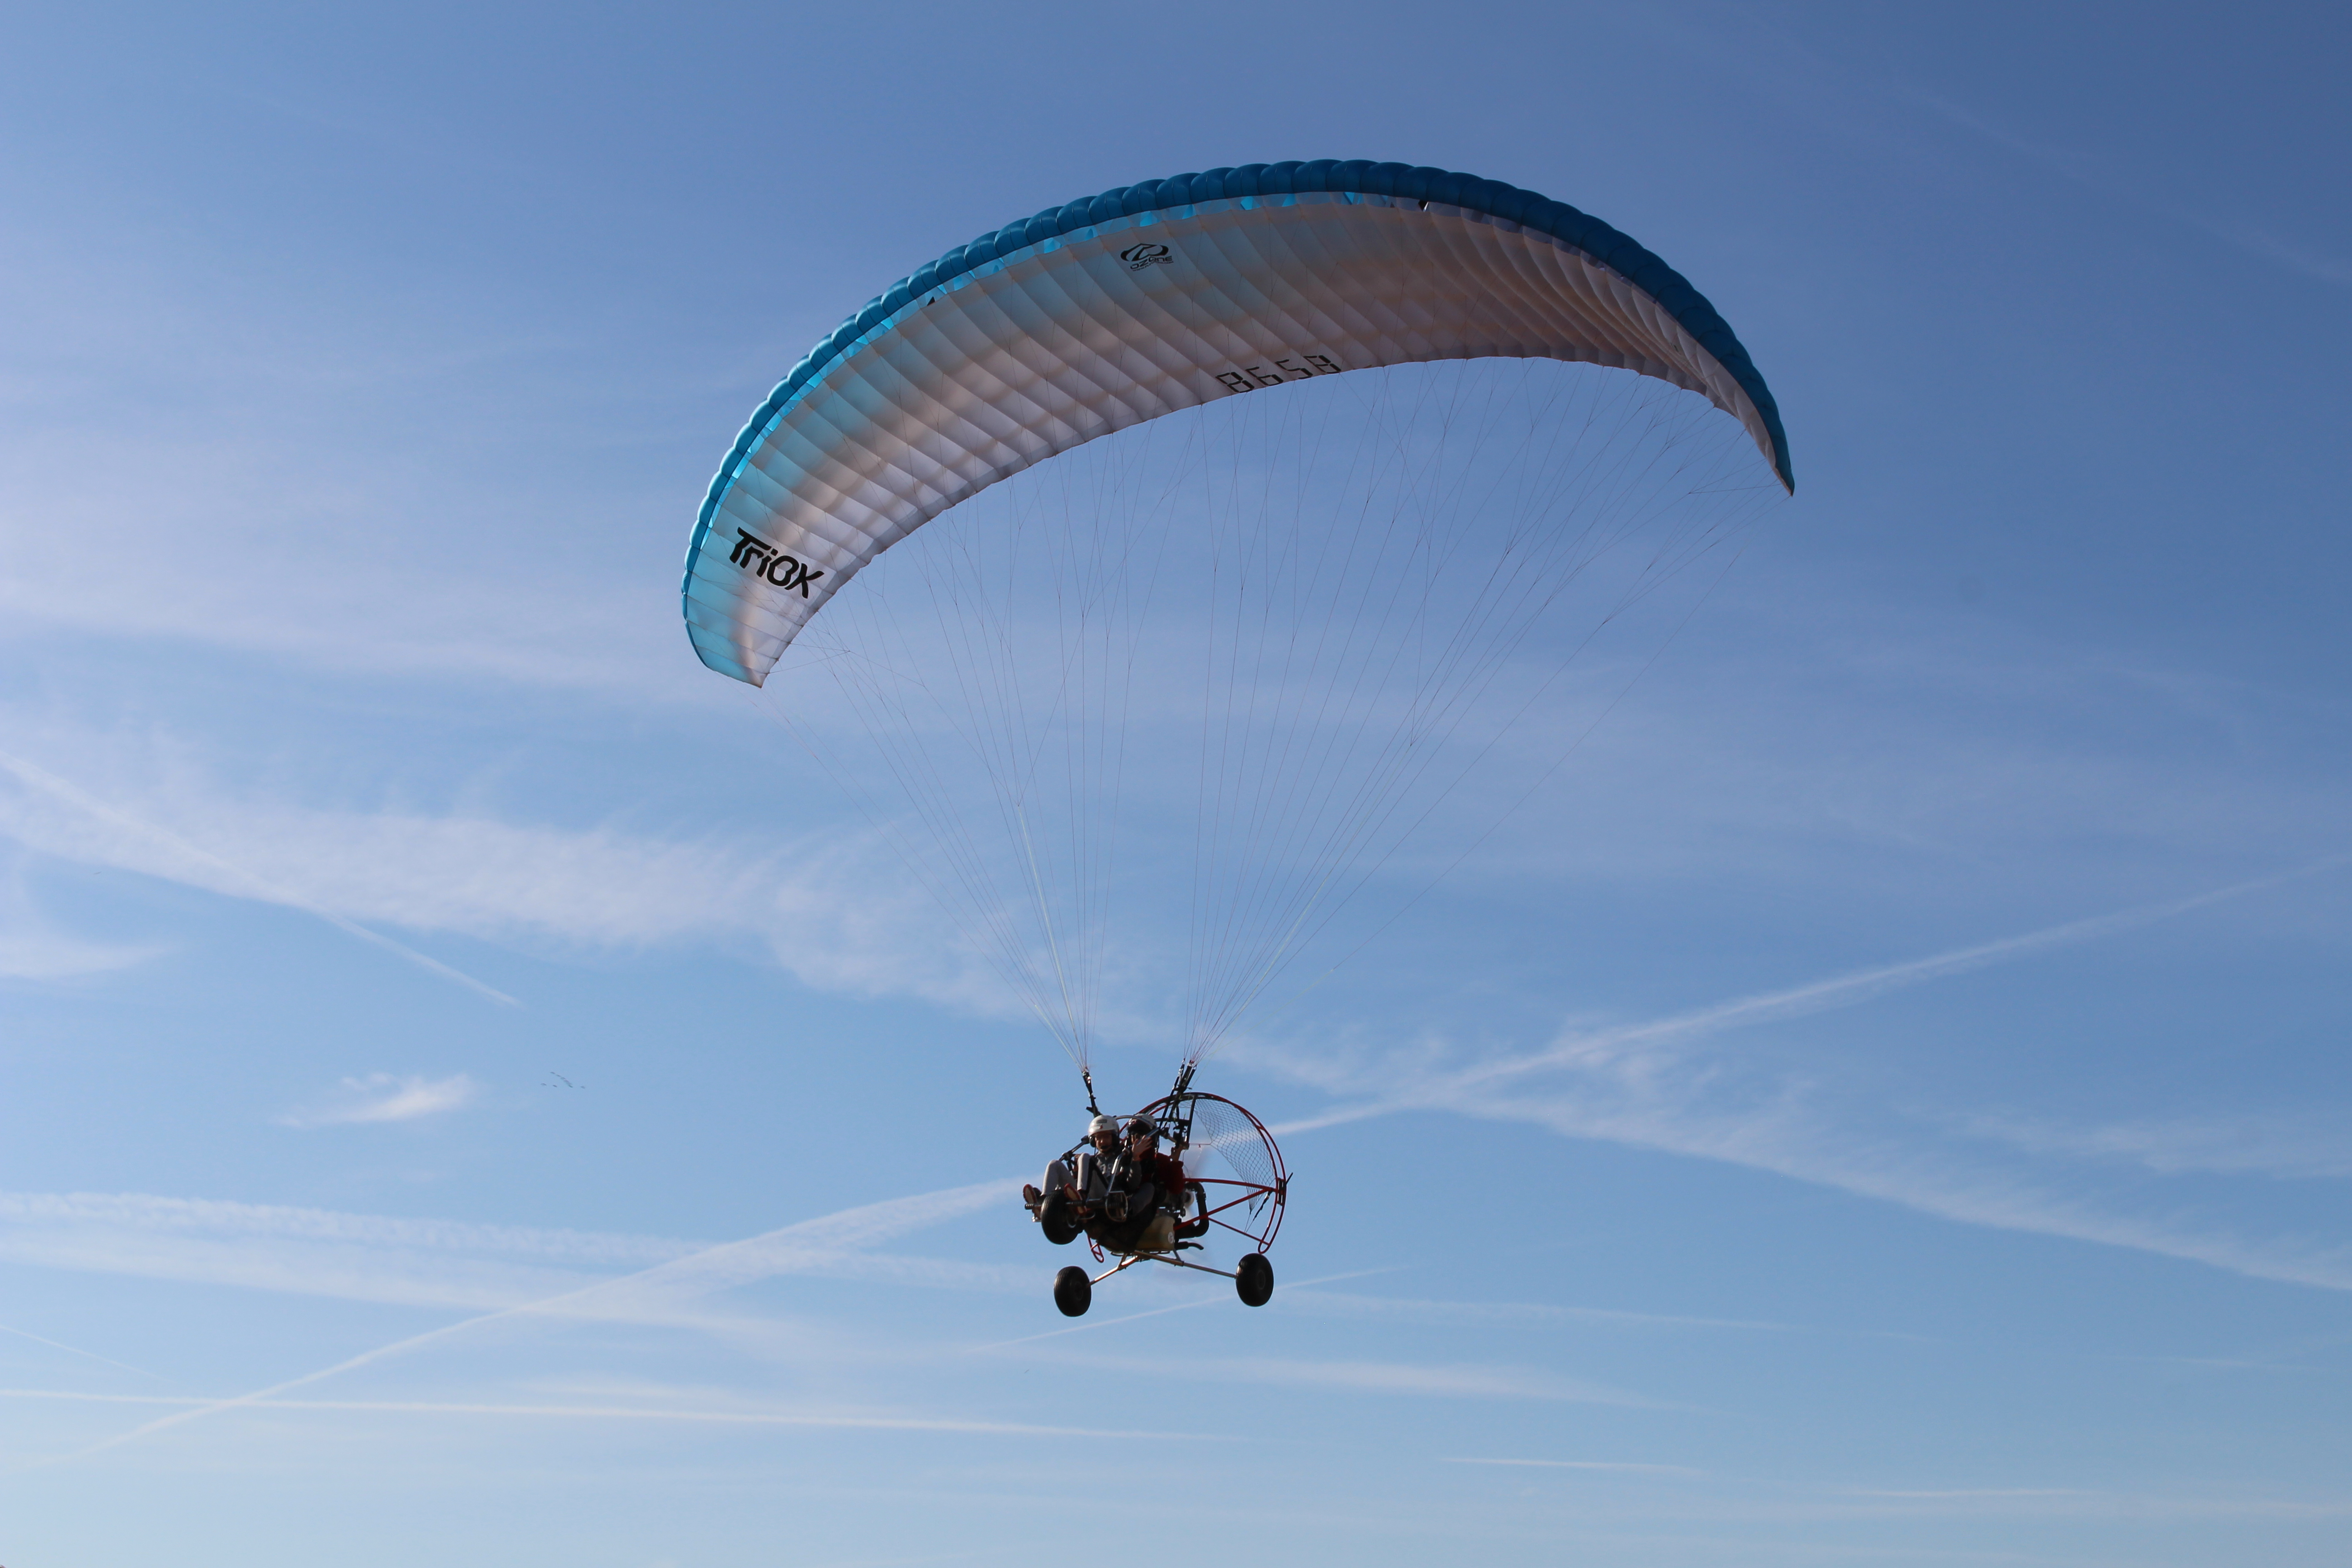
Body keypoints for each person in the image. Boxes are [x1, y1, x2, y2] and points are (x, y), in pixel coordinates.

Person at [1025, 1113, 1120, 1230]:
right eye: (1098, 1138)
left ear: (1114, 1138)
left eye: (1106, 1137)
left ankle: (1081, 1197)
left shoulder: (1122, 1156)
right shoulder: (1094, 1160)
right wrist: (1077, 1169)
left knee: (1084, 1157)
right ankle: (1044, 1203)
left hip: (1107, 1195)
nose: (1102, 1141)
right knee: (1055, 1164)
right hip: (1089, 1194)